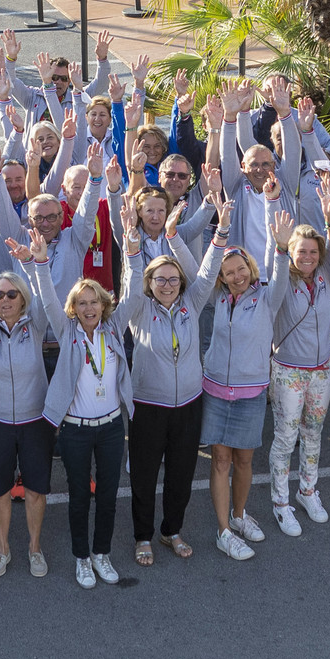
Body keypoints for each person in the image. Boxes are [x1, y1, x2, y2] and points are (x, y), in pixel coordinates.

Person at [112, 202, 215, 566]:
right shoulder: (139, 308)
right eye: (160, 280)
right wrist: (130, 240)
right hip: (148, 406)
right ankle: (143, 536)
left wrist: (222, 232)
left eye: (173, 279)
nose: (168, 285)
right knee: (143, 475)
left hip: (188, 404)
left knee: (181, 474)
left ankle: (171, 530)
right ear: (149, 284)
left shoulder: (193, 302)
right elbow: (132, 271)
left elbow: (208, 270)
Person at [198, 197, 292, 560]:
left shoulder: (267, 298)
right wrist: (217, 230)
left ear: (251, 268)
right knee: (220, 460)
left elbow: (280, 269)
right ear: (221, 277)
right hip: (216, 391)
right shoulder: (216, 298)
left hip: (252, 394)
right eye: (228, 272)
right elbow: (198, 268)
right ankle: (223, 531)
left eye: (241, 269)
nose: (236, 277)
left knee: (244, 461)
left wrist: (282, 245)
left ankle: (239, 516)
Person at [35, 247, 134, 590]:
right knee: (79, 497)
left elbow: (134, 293)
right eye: (82, 303)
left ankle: (101, 553)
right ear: (73, 309)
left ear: (104, 305)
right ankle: (81, 558)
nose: (89, 308)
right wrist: (40, 262)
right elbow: (47, 297)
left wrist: (132, 252)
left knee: (108, 496)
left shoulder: (114, 328)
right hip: (75, 430)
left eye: (94, 302)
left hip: (110, 428)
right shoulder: (67, 332)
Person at [0, 241, 53, 577]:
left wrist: (32, 261)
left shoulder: (36, 325)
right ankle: (3, 549)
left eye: (11, 295)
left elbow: (44, 290)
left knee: (35, 490)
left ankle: (34, 547)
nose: (4, 300)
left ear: (22, 298)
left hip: (35, 423)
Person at [267, 177, 330, 536]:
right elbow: (277, 267)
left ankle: (307, 491)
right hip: (288, 372)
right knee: (286, 437)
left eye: (314, 252)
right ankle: (280, 502)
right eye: (302, 252)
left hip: (320, 371)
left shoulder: (326, 274)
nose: (309, 257)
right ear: (292, 253)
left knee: (313, 435)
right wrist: (281, 248)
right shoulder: (282, 275)